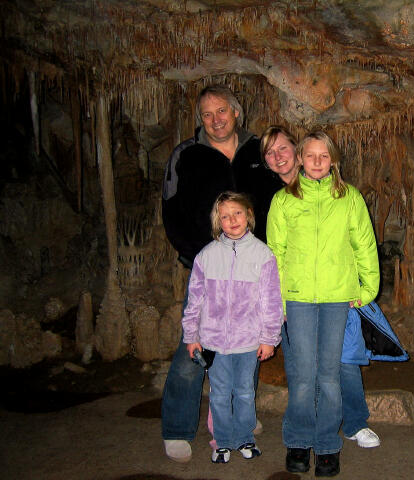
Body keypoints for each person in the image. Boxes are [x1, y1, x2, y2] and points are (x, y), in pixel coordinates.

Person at [161, 85, 276, 462]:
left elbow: (282, 200)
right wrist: (197, 258)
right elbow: (171, 211)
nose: (215, 120)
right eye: (207, 114)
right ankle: (178, 427)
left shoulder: (258, 151)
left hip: (252, 270)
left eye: (222, 111)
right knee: (193, 348)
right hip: (208, 270)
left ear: (236, 113)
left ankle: (240, 421)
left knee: (247, 345)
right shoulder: (187, 155)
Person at [266, 131, 380, 477]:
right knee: (301, 376)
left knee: (329, 375)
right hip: (297, 298)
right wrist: (277, 299)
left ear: (334, 160)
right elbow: (275, 253)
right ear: (300, 158)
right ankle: (299, 441)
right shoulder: (284, 200)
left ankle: (328, 446)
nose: (317, 162)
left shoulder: (350, 198)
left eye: (324, 156)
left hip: (335, 297)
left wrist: (367, 287)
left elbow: (364, 243)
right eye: (310, 156)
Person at [181, 192, 283, 464]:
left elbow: (271, 301)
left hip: (248, 341)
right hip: (214, 341)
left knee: (246, 391)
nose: (232, 220)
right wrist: (191, 335)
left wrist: (269, 338)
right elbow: (195, 299)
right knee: (220, 392)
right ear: (218, 222)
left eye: (237, 213)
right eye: (224, 216)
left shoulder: (263, 255)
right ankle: (223, 441)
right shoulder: (207, 255)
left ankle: (245, 437)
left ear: (248, 215)